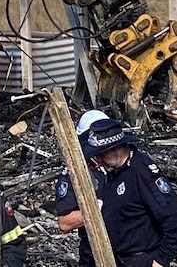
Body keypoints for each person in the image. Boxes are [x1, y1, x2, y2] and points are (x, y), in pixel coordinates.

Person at [83, 118, 177, 267]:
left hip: (141, 259)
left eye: (101, 154)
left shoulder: (142, 172)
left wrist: (161, 259)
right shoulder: (114, 172)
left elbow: (176, 216)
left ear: (116, 149)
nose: (98, 161)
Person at [55, 109, 110, 267]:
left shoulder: (124, 163)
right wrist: (99, 209)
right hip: (95, 252)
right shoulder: (75, 174)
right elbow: (65, 223)